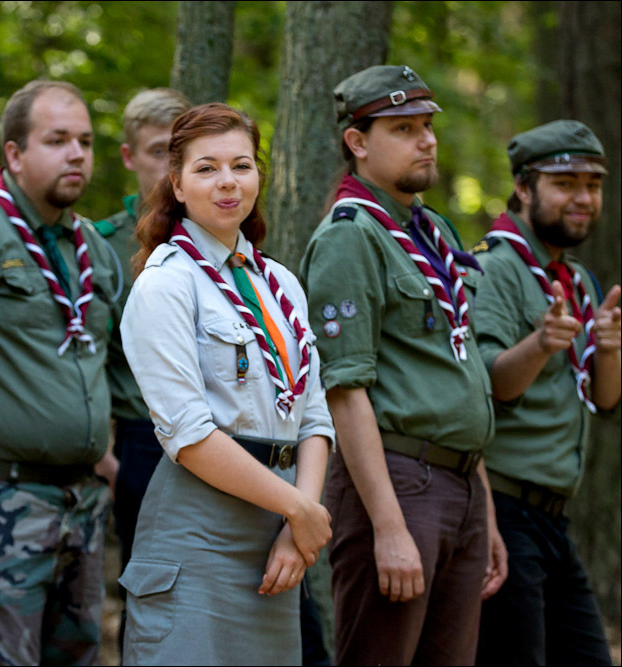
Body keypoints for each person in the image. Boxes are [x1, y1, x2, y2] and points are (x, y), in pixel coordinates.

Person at [299, 65, 507, 665]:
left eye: (427, 126)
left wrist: (484, 511)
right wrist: (388, 527)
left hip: (461, 483)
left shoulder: (432, 231)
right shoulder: (350, 237)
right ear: (357, 142)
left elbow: (458, 374)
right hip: (398, 484)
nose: (426, 141)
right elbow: (345, 392)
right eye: (404, 129)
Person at [119, 102, 335, 666]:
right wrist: (299, 510)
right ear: (177, 184)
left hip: (278, 534)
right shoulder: (166, 283)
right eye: (206, 168)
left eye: (241, 165)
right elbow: (189, 434)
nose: (227, 182)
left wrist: (299, 521)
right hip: (199, 533)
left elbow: (313, 415)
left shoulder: (281, 283)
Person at [0, 80, 119, 666]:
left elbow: (106, 362)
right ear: (14, 154)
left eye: (85, 141)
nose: (76, 154)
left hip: (80, 506)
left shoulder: (91, 246)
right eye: (57, 141)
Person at [472, 120, 620, 666]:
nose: (583, 198)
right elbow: (487, 385)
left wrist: (609, 350)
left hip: (554, 520)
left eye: (593, 185)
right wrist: (539, 344)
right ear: (524, 188)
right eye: (565, 184)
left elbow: (604, 401)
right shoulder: (495, 266)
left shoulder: (575, 279)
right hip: (506, 512)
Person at [93, 87, 191, 633]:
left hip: (227, 437)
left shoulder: (219, 236)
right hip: (145, 443)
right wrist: (107, 456)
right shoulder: (104, 246)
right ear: (129, 157)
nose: (168, 167)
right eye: (158, 152)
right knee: (153, 603)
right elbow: (87, 356)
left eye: (179, 153)